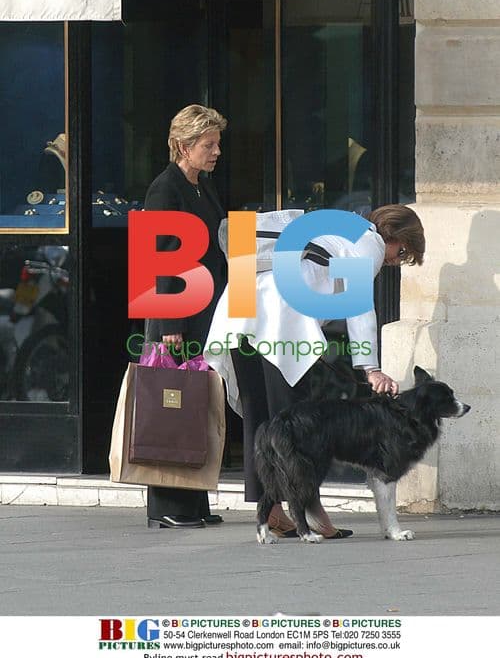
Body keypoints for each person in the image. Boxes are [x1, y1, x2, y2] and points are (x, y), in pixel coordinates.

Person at [204, 204, 425, 538]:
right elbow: (359, 305)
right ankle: (310, 510)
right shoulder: (370, 243)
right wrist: (371, 368)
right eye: (403, 251)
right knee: (298, 421)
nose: (396, 260)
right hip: (279, 316)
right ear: (394, 235)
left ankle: (274, 510)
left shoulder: (341, 228)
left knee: (261, 417)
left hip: (242, 303)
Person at [143, 104, 228, 529]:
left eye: (216, 144)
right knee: (169, 406)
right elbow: (158, 259)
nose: (215, 152)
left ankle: (193, 502)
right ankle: (167, 505)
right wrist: (170, 325)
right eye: (208, 145)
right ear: (183, 145)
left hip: (204, 313)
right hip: (174, 317)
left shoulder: (203, 187)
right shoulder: (165, 189)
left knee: (194, 406)